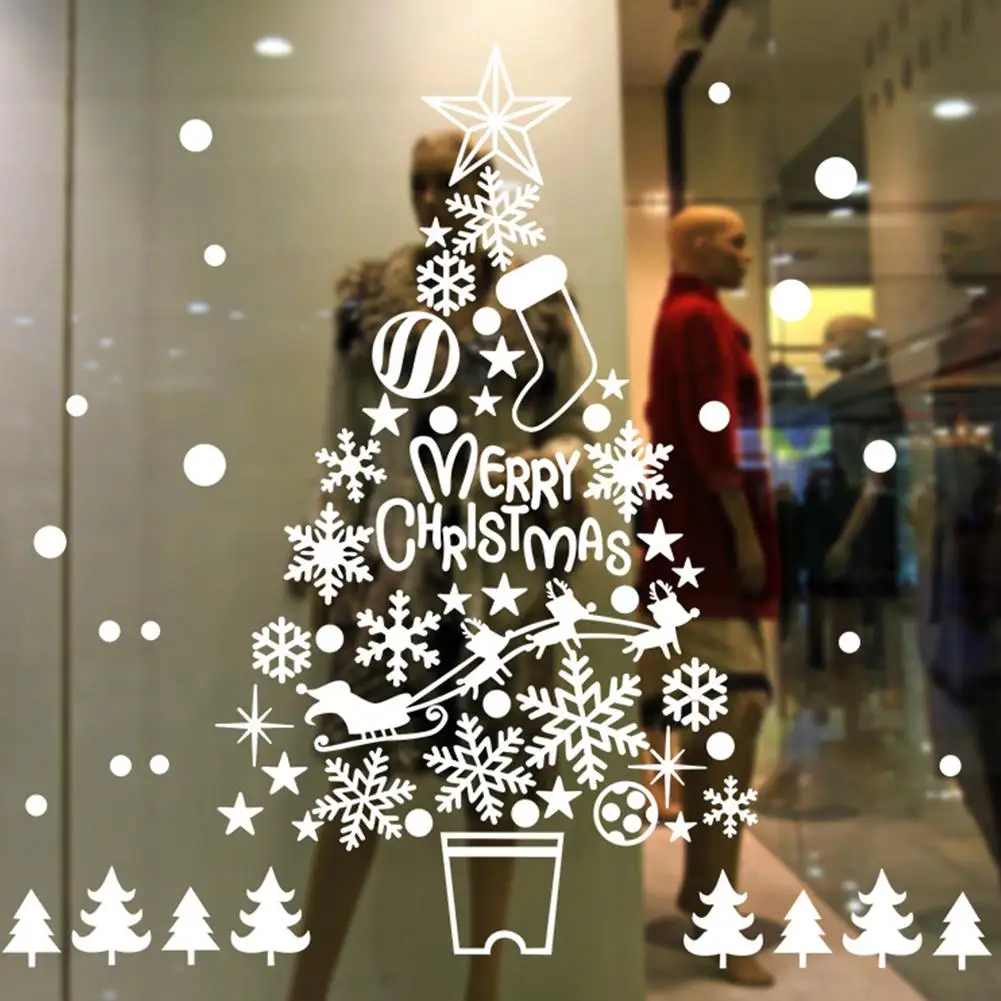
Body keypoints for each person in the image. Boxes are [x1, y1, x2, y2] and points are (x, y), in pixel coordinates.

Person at [286, 128, 590, 1001]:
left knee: (495, 785)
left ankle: (481, 987)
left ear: (481, 188)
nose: (429, 200)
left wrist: (542, 467)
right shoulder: (368, 301)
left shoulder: (539, 301)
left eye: (447, 183)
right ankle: (307, 988)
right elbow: (345, 437)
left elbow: (574, 430)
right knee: (359, 786)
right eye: (418, 182)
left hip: (501, 569)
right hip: (395, 566)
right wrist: (331, 554)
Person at [639, 204, 780, 988]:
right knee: (732, 716)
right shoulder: (695, 319)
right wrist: (741, 529)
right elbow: (707, 426)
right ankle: (710, 909)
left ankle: (706, 895)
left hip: (695, 543)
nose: (745, 254)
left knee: (719, 724)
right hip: (702, 549)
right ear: (695, 245)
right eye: (734, 241)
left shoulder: (694, 317)